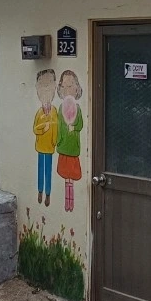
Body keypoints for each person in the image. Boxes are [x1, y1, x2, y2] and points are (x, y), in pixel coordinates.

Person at [56, 70, 83, 212]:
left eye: (71, 86)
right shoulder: (61, 108)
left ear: (77, 88)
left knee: (71, 177)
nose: (68, 90)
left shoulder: (77, 108)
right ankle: (67, 204)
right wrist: (58, 141)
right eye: (64, 87)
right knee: (66, 177)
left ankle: (71, 204)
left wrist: (74, 126)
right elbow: (59, 126)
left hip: (73, 148)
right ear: (60, 89)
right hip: (64, 148)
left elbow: (80, 125)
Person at [33, 70, 58, 206]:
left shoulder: (54, 111)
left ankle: (48, 194)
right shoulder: (39, 112)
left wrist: (54, 142)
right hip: (40, 146)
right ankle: (39, 191)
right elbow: (35, 129)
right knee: (40, 170)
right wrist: (44, 128)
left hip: (49, 147)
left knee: (48, 171)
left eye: (49, 86)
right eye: (42, 86)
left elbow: (56, 127)